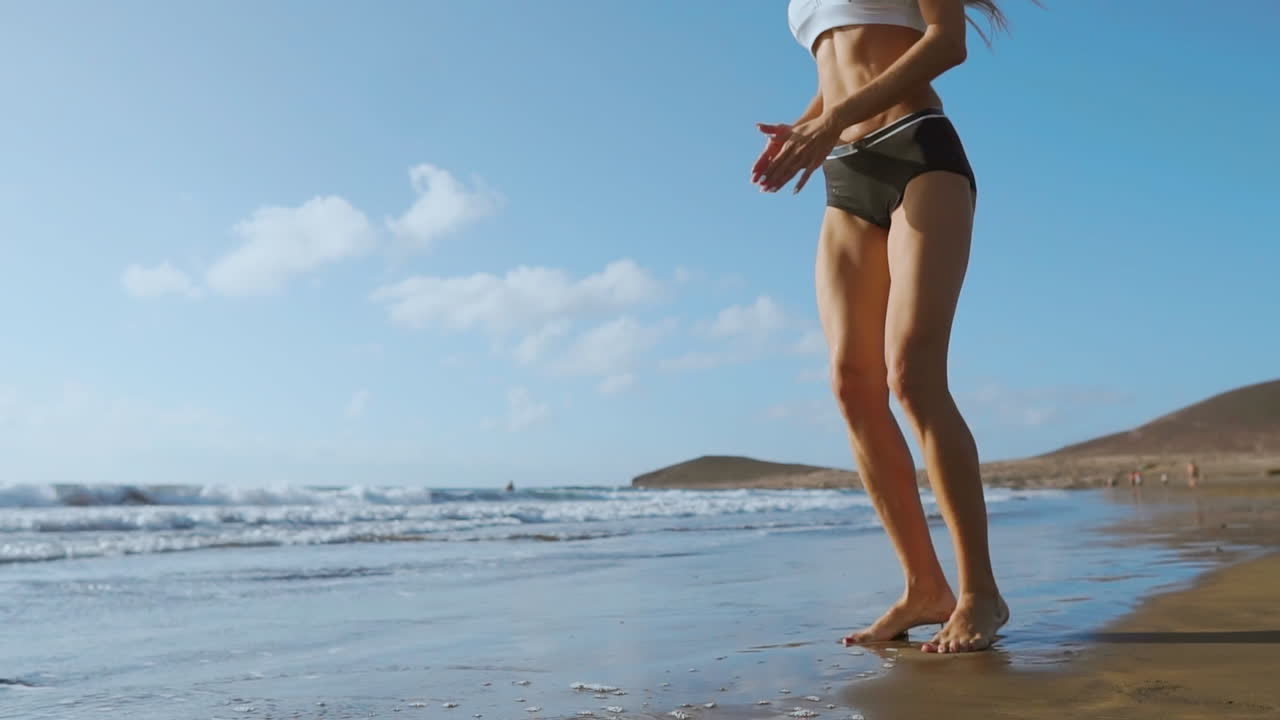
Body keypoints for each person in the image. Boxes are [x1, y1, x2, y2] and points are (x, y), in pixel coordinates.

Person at [752, 0, 1028, 654]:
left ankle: (979, 594)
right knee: (852, 386)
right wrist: (804, 129)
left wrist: (835, 120)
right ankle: (923, 586)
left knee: (912, 376)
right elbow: (840, 68)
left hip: (917, 149)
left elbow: (946, 42)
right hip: (846, 173)